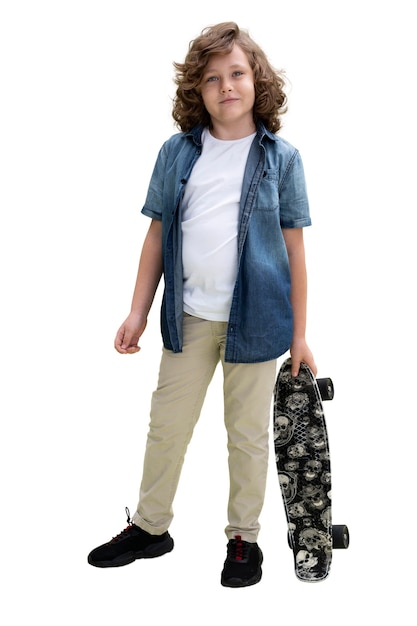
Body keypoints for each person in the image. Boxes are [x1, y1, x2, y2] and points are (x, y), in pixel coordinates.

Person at [88, 21, 317, 588]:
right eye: (212, 78)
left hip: (260, 322)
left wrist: (301, 334)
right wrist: (138, 310)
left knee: (246, 435)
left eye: (237, 73)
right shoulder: (177, 153)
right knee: (166, 425)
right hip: (188, 317)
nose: (227, 86)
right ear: (198, 89)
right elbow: (155, 236)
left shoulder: (281, 159)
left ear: (257, 80)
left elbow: (295, 251)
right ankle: (150, 527)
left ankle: (243, 539)